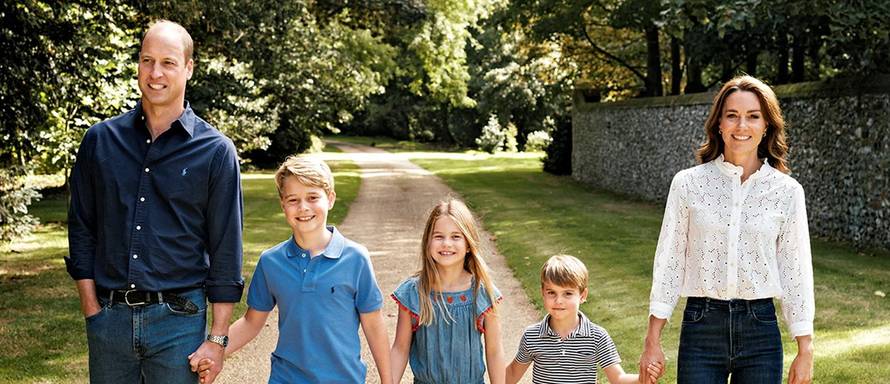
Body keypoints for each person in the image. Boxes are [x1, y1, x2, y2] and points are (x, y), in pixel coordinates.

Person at [65, 19, 243, 383]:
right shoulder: (100, 141)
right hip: (108, 321)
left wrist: (217, 338)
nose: (155, 73)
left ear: (189, 68)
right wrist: (91, 307)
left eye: (168, 62)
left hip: (179, 323)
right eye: (147, 60)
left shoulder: (215, 151)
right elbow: (82, 227)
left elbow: (226, 249)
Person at [639, 75, 815, 384]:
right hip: (701, 326)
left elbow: (795, 270)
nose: (742, 126)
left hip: (761, 330)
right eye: (732, 115)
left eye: (753, 117)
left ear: (767, 126)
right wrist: (652, 339)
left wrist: (805, 349)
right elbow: (669, 262)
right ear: (719, 123)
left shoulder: (787, 192)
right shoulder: (688, 184)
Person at [193, 155, 392, 384]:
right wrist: (215, 350)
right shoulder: (271, 262)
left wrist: (388, 381)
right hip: (285, 378)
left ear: (330, 199)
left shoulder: (356, 258)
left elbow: (373, 325)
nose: (303, 207)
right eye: (293, 200)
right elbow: (251, 322)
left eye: (312, 197)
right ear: (282, 205)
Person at [389, 198, 505, 384]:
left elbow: (494, 351)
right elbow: (400, 348)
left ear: (468, 244)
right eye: (438, 236)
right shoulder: (413, 293)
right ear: (428, 242)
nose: (446, 244)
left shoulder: (482, 293)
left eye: (456, 236)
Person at [506, 255, 663, 384]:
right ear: (542, 292)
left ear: (582, 295)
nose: (558, 300)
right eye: (551, 292)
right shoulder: (532, 336)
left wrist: (642, 379)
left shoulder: (597, 336)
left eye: (567, 293)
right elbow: (512, 373)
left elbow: (617, 378)